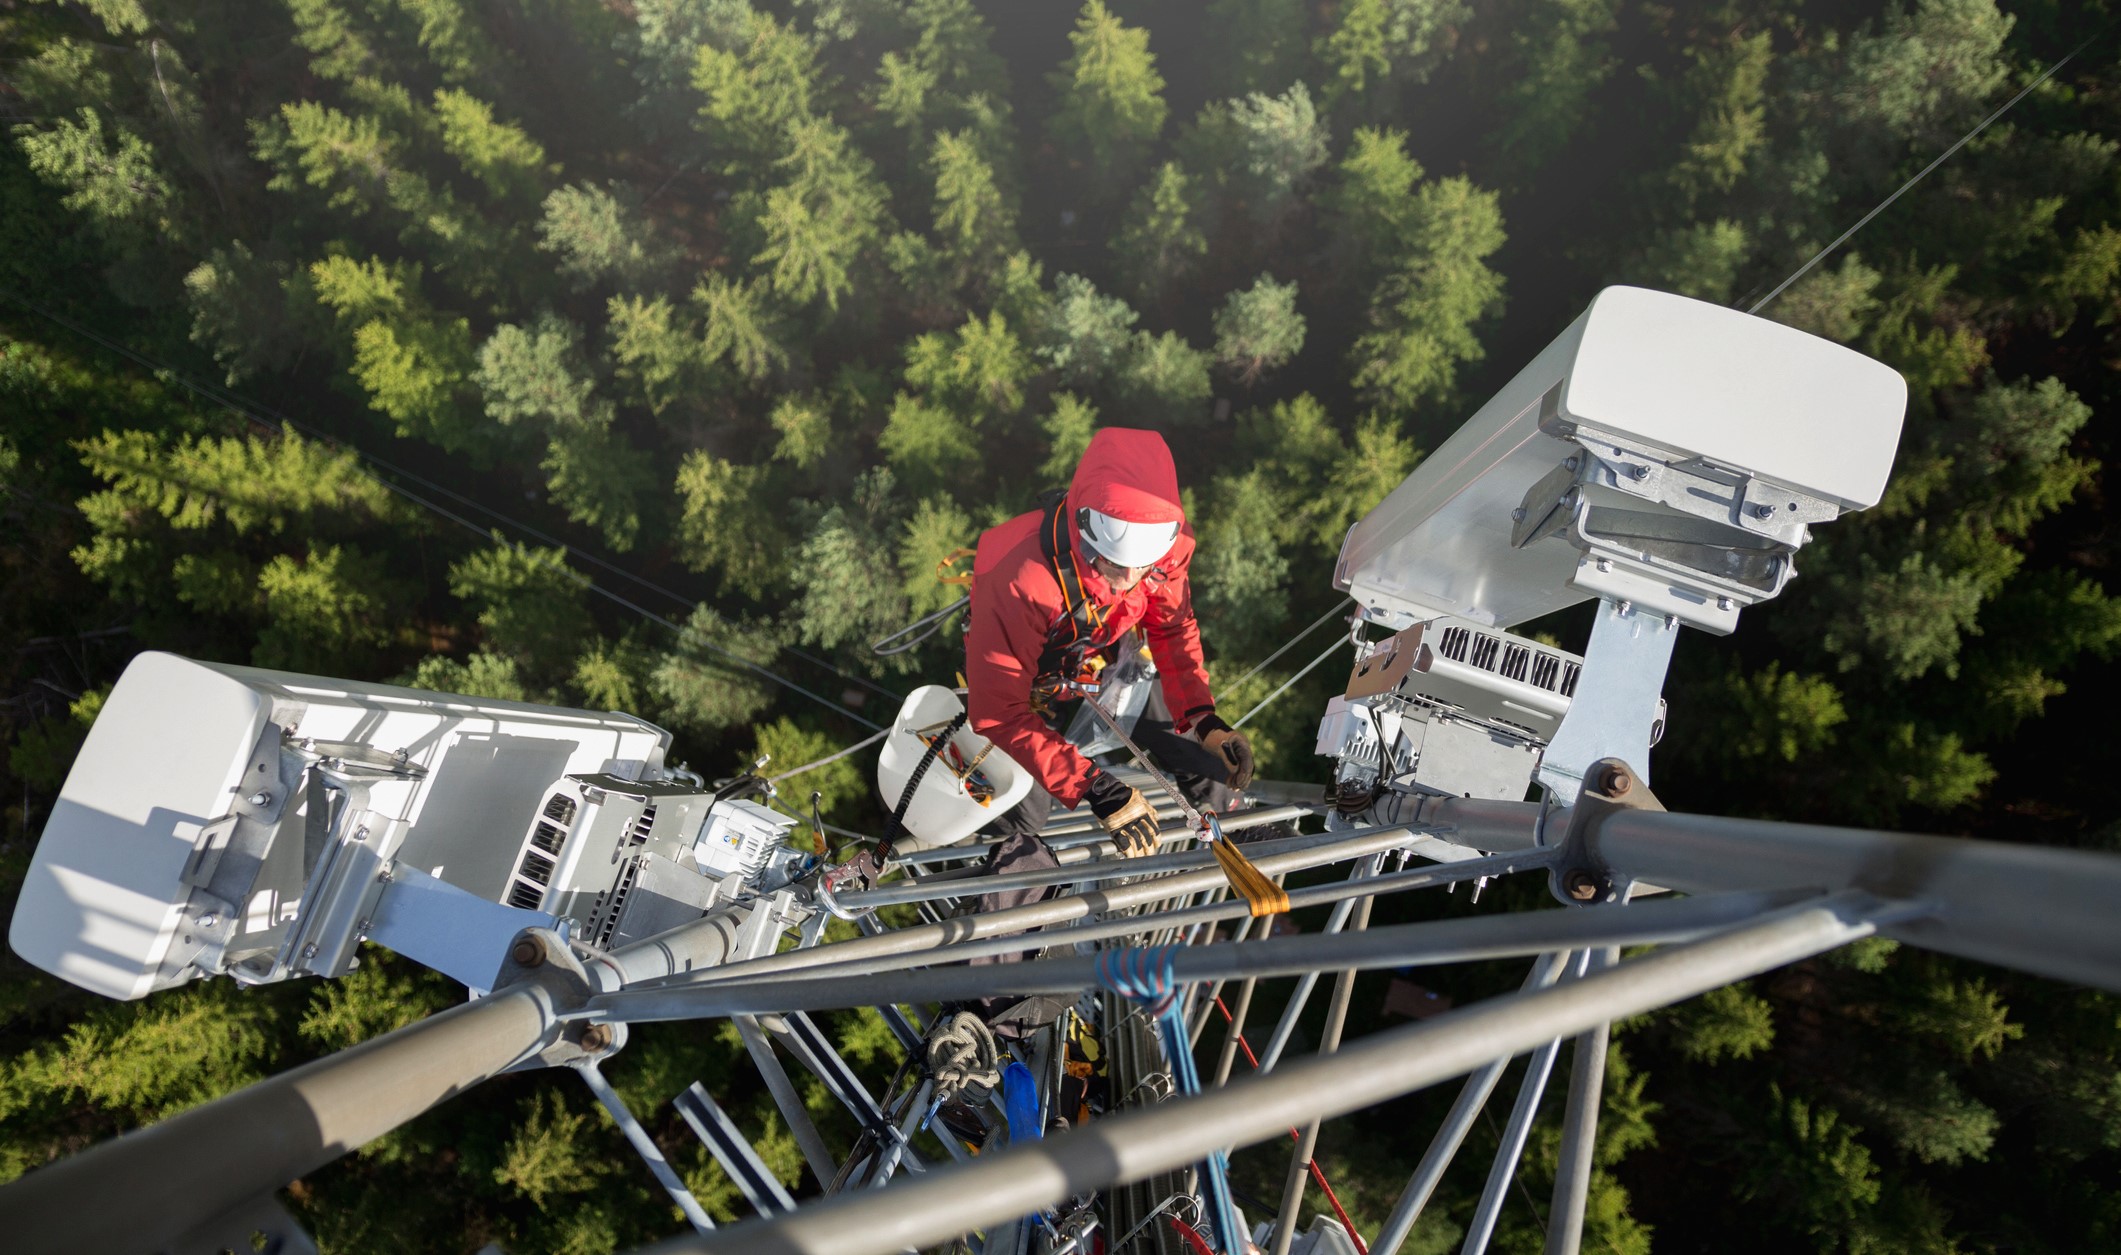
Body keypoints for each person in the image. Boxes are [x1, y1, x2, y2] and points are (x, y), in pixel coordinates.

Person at [963, 427, 1255, 867]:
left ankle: (1236, 832)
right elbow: (998, 710)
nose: (1129, 580)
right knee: (1026, 813)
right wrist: (1093, 786)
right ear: (1086, 535)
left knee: (1209, 766)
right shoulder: (1019, 575)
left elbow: (1172, 630)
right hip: (1025, 696)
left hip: (1100, 669)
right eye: (1113, 565)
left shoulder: (1164, 546)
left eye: (1142, 568)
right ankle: (997, 878)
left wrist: (1203, 718)